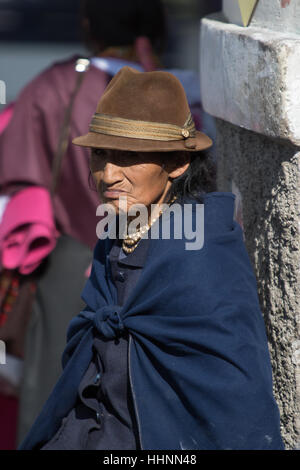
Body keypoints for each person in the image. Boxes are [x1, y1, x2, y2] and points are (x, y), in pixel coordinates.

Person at [19, 66, 284, 450]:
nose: (108, 174)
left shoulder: (203, 253)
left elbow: (235, 400)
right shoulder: (116, 232)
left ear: (176, 164)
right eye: (100, 154)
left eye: (129, 156)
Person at [1, 0, 202, 448]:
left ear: (88, 26)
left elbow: (17, 169)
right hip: (157, 259)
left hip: (68, 262)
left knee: (54, 395)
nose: (109, 173)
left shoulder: (55, 84)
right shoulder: (178, 93)